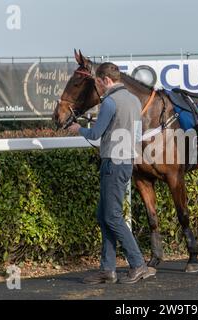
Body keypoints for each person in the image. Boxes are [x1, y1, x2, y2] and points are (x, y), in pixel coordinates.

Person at [68, 62, 152, 284]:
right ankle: (108, 268)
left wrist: (78, 129)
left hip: (112, 163)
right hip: (126, 162)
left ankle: (138, 264)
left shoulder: (109, 102)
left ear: (105, 80)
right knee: (103, 215)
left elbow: (95, 134)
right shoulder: (133, 99)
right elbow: (135, 133)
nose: (99, 88)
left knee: (112, 216)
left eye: (98, 83)